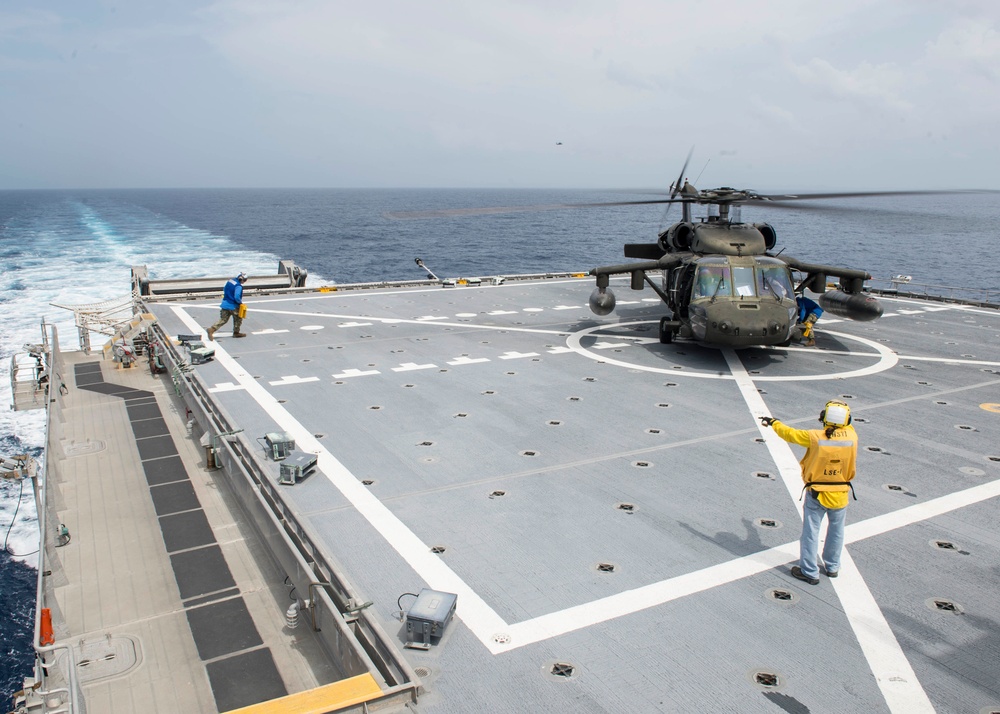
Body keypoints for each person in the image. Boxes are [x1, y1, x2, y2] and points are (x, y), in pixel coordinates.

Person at [759, 400, 857, 585]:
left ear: (823, 418)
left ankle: (810, 571)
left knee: (811, 533)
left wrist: (774, 423)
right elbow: (846, 425)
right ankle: (833, 566)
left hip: (817, 492)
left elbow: (790, 434)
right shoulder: (852, 436)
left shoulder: (814, 436)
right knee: (837, 531)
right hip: (841, 492)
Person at [206, 272, 248, 340]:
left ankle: (211, 329)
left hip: (225, 303)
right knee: (238, 319)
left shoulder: (230, 281)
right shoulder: (238, 286)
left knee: (223, 319)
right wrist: (240, 303)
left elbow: (225, 289)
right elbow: (237, 296)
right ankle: (236, 333)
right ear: (243, 280)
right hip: (233, 306)